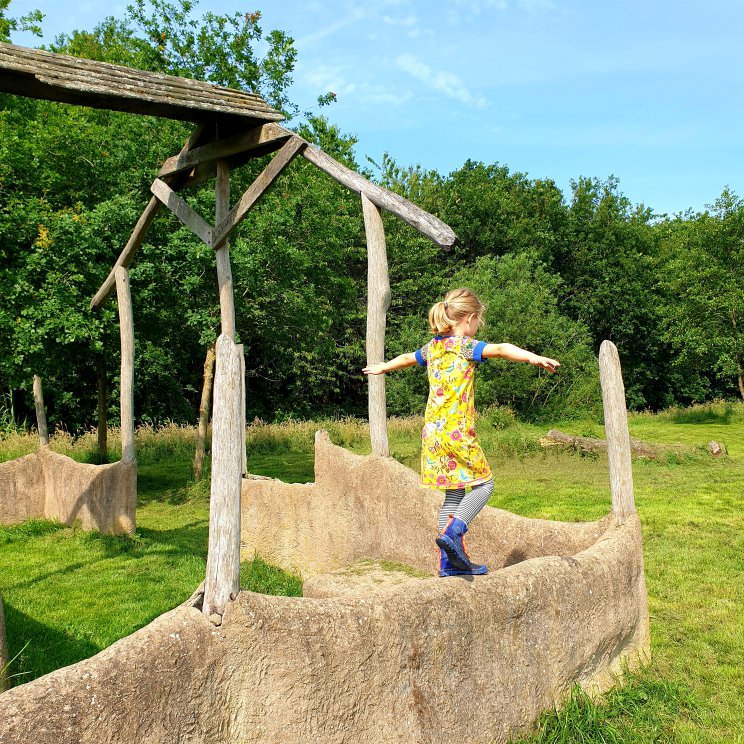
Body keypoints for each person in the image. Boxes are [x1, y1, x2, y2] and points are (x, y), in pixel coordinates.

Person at [362, 287, 560, 577]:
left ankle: (448, 565)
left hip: (432, 433)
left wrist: (383, 367)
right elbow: (502, 349)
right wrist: (533, 357)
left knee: (453, 495)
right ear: (469, 319)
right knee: (485, 485)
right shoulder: (464, 345)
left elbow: (406, 358)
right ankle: (455, 531)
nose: (478, 327)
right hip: (457, 432)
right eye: (478, 321)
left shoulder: (433, 348)